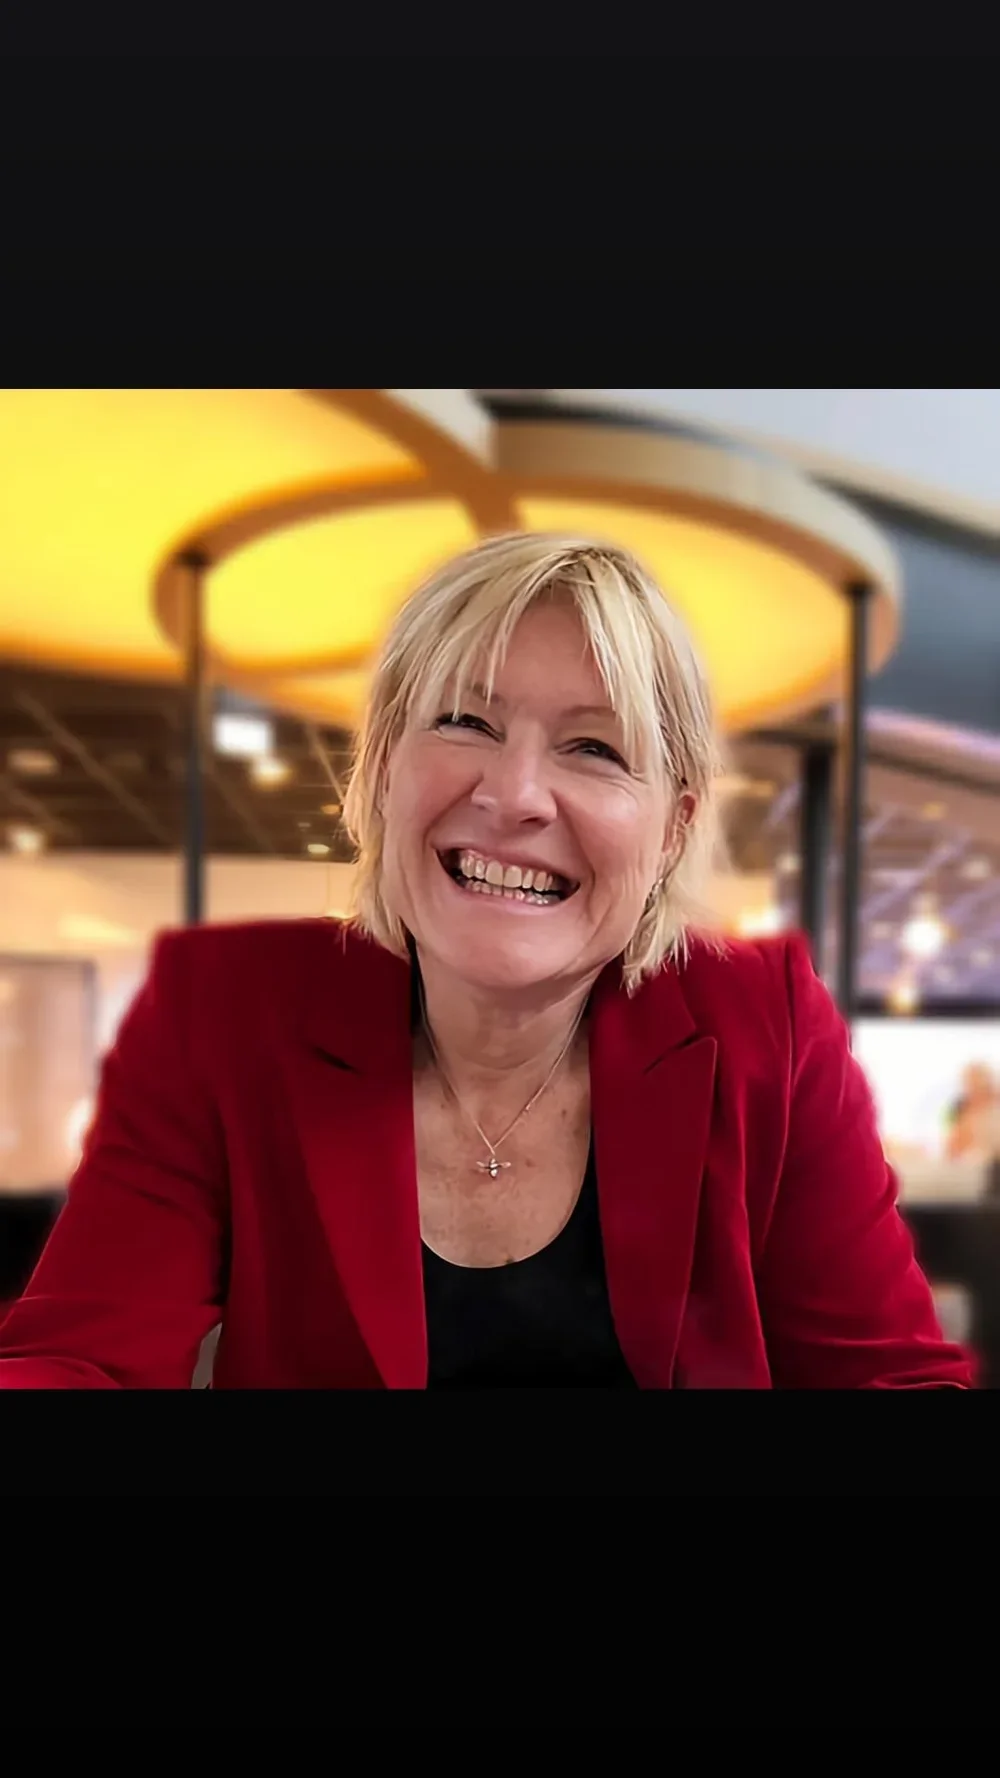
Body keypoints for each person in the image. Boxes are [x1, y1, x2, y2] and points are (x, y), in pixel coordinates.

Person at [0, 533, 972, 1389]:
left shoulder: (770, 1025)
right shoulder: (221, 1012)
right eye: (463, 722)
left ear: (672, 828)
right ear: (383, 770)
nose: (514, 796)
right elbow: (80, 1357)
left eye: (593, 746)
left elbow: (889, 1373)